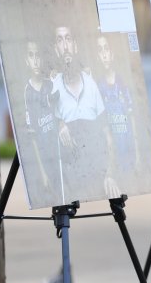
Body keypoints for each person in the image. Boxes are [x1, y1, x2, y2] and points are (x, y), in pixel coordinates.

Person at [50, 24, 120, 202]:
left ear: (75, 45)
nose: (65, 45)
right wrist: (60, 124)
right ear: (56, 49)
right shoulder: (52, 86)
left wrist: (110, 174)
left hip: (96, 173)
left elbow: (108, 135)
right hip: (70, 182)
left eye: (68, 39)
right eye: (60, 40)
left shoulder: (91, 84)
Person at [94, 35, 141, 177]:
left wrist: (138, 154)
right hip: (114, 152)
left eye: (106, 49)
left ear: (112, 54)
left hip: (129, 147)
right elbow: (103, 126)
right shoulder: (99, 87)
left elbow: (132, 120)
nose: (104, 54)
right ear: (97, 56)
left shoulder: (122, 83)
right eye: (100, 50)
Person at [22, 40, 60, 198]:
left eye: (38, 55)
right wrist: (42, 172)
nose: (35, 60)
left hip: (60, 153)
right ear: (27, 61)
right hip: (45, 157)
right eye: (31, 56)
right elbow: (33, 138)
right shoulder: (27, 92)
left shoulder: (50, 84)